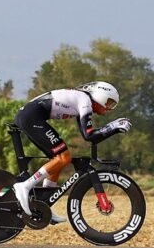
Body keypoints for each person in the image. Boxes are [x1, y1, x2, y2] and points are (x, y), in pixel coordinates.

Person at [10, 81, 130, 223]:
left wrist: (112, 128)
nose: (109, 108)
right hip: (31, 117)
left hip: (31, 116)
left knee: (58, 159)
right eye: (109, 103)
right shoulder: (85, 100)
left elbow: (90, 136)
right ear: (100, 95)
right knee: (64, 157)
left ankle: (44, 202)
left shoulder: (82, 100)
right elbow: (89, 135)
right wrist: (113, 126)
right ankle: (25, 186)